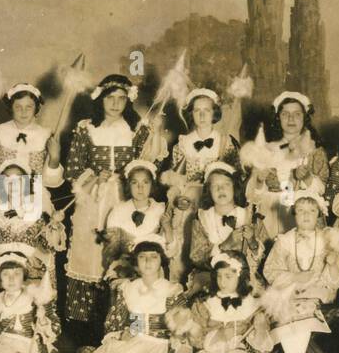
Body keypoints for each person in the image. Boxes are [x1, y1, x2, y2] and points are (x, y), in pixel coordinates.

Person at [64, 73, 161, 331]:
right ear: (101, 100)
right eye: (111, 98)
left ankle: (121, 316)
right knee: (91, 251)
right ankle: (85, 323)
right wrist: (94, 176)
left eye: (121, 99)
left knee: (123, 251)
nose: (116, 104)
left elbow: (148, 167)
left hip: (123, 198)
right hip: (92, 199)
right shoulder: (87, 128)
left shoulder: (135, 131)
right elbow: (72, 169)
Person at [60, 237, 185, 353]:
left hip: (158, 345)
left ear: (161, 261)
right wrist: (123, 333)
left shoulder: (171, 289)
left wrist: (173, 337)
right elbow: (117, 319)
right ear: (136, 263)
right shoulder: (128, 288)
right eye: (142, 257)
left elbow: (179, 325)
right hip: (133, 339)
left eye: (153, 257)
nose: (148, 262)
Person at [176, 253, 297, 353]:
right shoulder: (205, 303)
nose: (222, 282)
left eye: (228, 277)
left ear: (240, 277)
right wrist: (212, 335)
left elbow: (261, 351)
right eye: (219, 276)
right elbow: (195, 339)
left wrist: (259, 328)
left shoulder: (251, 304)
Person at [260, 191, 339, 353]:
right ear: (293, 214)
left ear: (320, 214)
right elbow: (270, 270)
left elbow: (336, 277)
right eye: (301, 211)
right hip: (290, 288)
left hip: (317, 289)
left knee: (304, 306)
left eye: (311, 211)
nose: (306, 215)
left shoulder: (327, 240)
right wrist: (294, 277)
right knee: (285, 308)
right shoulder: (284, 241)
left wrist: (331, 267)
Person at [162, 86, 240, 274]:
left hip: (217, 202)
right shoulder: (182, 143)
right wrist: (177, 199)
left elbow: (235, 178)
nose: (202, 115)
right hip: (189, 201)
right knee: (184, 244)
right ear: (191, 114)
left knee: (215, 244)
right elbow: (176, 180)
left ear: (215, 113)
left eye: (207, 110)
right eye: (197, 111)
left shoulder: (225, 142)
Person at [0, 158, 65, 291]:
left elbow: (50, 246)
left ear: (27, 183)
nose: (13, 185)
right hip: (0, 272)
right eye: (7, 181)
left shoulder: (36, 214)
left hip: (30, 274)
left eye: (19, 181)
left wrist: (54, 224)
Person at [243, 91, 329, 241]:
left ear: (305, 118)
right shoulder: (267, 149)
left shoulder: (314, 151)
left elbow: (322, 190)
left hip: (302, 213)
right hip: (270, 212)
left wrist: (307, 177)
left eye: (297, 114)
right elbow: (253, 195)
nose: (291, 119)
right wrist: (260, 180)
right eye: (285, 114)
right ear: (278, 117)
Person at [186, 162, 264, 292]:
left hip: (244, 278)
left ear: (235, 187)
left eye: (226, 184)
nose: (221, 189)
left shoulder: (250, 216)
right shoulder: (202, 219)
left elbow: (262, 258)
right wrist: (225, 245)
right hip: (213, 277)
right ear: (208, 191)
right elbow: (197, 257)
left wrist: (252, 242)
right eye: (215, 186)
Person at [0, 82, 64, 187]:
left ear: (36, 108)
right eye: (18, 107)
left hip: (33, 195)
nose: (23, 112)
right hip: (3, 192)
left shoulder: (46, 135)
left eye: (29, 107)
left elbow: (50, 182)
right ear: (11, 108)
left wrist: (54, 158)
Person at [101, 159, 169, 283]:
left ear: (152, 185)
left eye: (145, 182)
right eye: (134, 183)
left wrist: (167, 227)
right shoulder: (118, 211)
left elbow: (167, 249)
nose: (140, 188)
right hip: (123, 269)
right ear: (128, 185)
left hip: (152, 269)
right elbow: (110, 251)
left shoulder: (160, 210)